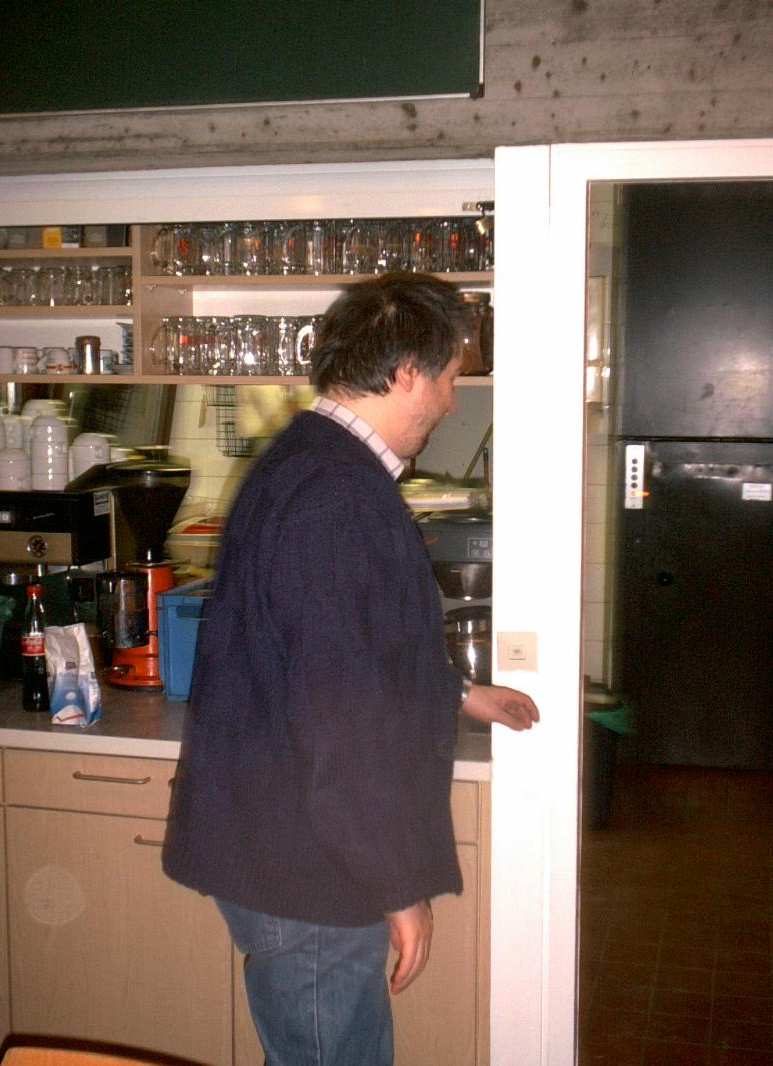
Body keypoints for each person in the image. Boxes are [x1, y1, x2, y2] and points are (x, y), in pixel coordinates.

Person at [162, 273, 539, 1066]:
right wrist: (396, 886)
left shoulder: (317, 462)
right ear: (406, 373)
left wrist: (461, 693)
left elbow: (352, 655)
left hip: (293, 847)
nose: (451, 401)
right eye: (449, 378)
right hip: (312, 871)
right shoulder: (336, 496)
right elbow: (340, 722)